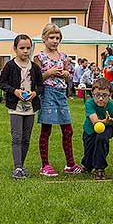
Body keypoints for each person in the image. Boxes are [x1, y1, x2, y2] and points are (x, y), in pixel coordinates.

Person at [34, 23, 81, 177]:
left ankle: (70, 164)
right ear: (44, 39)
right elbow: (36, 79)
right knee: (46, 130)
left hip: (61, 94)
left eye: (57, 38)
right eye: (51, 37)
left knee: (68, 130)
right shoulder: (39, 57)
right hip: (47, 94)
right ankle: (45, 165)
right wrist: (49, 72)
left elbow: (69, 74)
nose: (55, 41)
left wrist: (66, 74)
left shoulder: (64, 57)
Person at [0, 34, 44, 179]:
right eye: (22, 48)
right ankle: (17, 167)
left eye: (28, 48)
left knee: (26, 138)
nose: (25, 51)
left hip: (30, 108)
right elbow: (2, 83)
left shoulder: (35, 68)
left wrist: (35, 93)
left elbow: (41, 86)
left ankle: (21, 166)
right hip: (15, 107)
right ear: (15, 49)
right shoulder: (10, 66)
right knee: (16, 137)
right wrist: (15, 91)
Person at [81, 78, 113, 180]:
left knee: (101, 139)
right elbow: (95, 122)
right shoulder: (89, 104)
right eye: (97, 95)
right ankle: (88, 165)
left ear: (110, 95)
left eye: (104, 95)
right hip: (90, 130)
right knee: (88, 156)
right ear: (93, 94)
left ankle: (100, 169)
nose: (101, 99)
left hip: (107, 129)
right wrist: (106, 121)